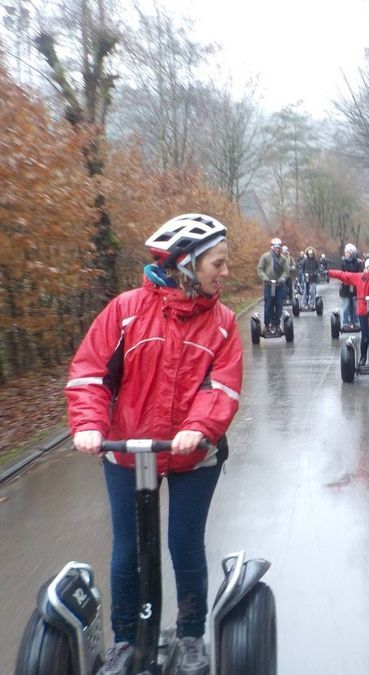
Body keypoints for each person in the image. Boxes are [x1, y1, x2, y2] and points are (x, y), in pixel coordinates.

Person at [66, 214, 242, 674]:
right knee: (128, 548)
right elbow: (89, 374)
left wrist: (199, 427)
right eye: (217, 264)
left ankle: (190, 637)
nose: (225, 272)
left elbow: (222, 388)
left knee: (185, 545)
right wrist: (88, 423)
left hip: (193, 455)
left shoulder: (222, 322)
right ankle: (125, 642)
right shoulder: (125, 311)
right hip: (127, 450)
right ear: (185, 264)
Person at [257, 238, 290, 331]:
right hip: (268, 285)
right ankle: (267, 325)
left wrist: (282, 278)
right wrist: (264, 277)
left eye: (279, 247)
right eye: (275, 247)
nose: (277, 249)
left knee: (279, 305)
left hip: (279, 285)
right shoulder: (265, 257)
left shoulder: (283, 259)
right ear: (272, 247)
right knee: (268, 305)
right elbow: (260, 269)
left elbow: (286, 271)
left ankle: (276, 324)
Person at [339, 244, 363, 327]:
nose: (346, 254)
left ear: (352, 253)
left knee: (355, 305)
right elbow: (341, 274)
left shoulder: (358, 263)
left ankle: (355, 321)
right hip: (346, 287)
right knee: (346, 305)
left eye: (348, 252)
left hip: (356, 287)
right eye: (345, 252)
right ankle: (345, 322)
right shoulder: (343, 262)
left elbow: (360, 274)